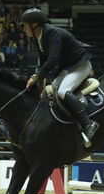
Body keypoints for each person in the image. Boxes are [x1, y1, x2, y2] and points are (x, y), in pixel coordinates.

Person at [21, 8, 99, 142]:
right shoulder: (37, 38)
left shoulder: (52, 32)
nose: (23, 29)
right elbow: (44, 61)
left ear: (34, 25)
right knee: (51, 91)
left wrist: (36, 76)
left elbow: (53, 60)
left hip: (80, 66)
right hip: (67, 68)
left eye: (25, 25)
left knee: (63, 91)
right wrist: (39, 77)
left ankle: (88, 124)